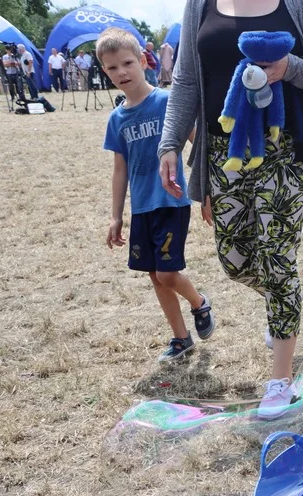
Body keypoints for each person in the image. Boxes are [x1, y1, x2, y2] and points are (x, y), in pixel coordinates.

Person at [157, 0, 303, 416]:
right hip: (226, 149)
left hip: (287, 147)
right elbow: (187, 78)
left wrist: (288, 68)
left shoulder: (298, 2)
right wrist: (169, 143)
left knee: (277, 260)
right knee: (236, 261)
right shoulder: (200, 4)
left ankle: (280, 381)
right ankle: (282, 306)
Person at [97, 28, 215, 363]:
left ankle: (199, 303)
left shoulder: (166, 102)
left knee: (167, 272)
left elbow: (196, 143)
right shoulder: (116, 118)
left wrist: (205, 191)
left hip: (171, 202)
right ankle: (180, 338)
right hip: (142, 207)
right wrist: (116, 215)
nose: (121, 72)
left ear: (144, 61)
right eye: (111, 68)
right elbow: (120, 169)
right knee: (154, 274)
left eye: (127, 63)